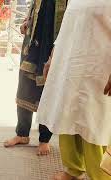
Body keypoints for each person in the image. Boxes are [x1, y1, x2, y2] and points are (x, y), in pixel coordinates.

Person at [37, 0, 111, 179]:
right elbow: (67, 26)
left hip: (99, 69)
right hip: (70, 65)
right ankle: (73, 169)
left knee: (93, 124)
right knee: (67, 115)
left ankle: (100, 175)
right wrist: (52, 57)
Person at [4, 0, 68, 155]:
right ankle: (22, 134)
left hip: (52, 46)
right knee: (25, 87)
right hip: (32, 44)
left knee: (47, 92)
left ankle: (44, 140)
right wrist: (26, 21)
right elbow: (33, 7)